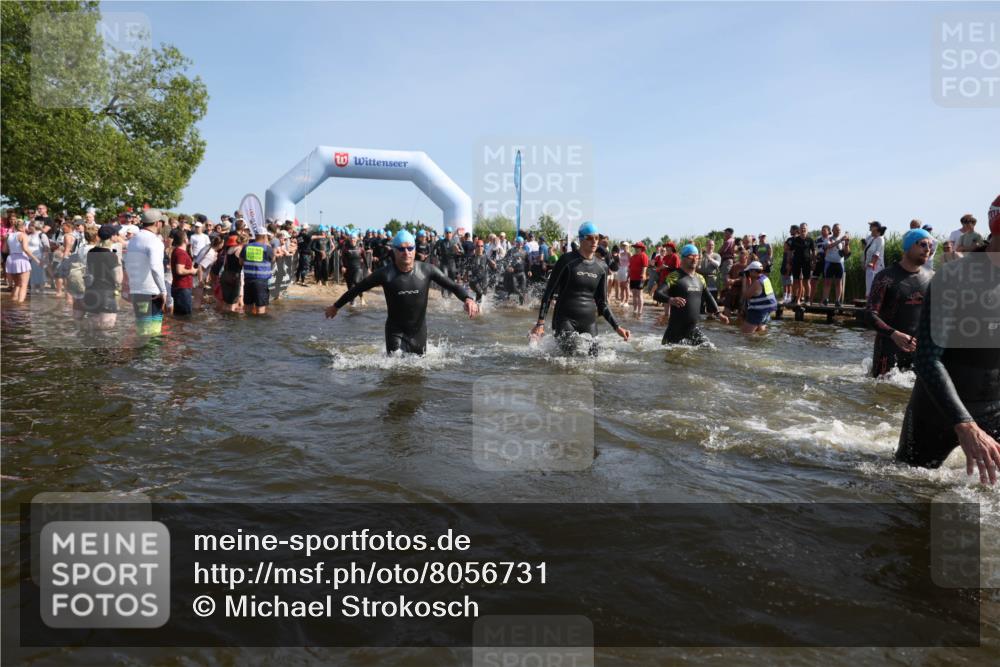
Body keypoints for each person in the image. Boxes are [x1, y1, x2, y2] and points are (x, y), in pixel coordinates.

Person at [895, 213, 1000, 484]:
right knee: (905, 487)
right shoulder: (954, 278)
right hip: (936, 411)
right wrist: (964, 423)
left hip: (994, 407)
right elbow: (927, 359)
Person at [325, 230, 479, 355]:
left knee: (418, 374)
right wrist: (336, 306)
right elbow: (357, 289)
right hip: (395, 331)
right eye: (401, 249)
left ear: (414, 249)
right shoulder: (385, 274)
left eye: (410, 248)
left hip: (419, 332)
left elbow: (453, 286)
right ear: (394, 251)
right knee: (395, 370)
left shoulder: (426, 270)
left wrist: (467, 299)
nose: (406, 252)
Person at [530, 222, 629, 356]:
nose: (594, 241)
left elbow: (602, 303)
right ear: (581, 239)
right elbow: (549, 293)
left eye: (596, 238)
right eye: (590, 238)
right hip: (564, 319)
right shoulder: (566, 261)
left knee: (595, 357)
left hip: (588, 322)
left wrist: (617, 327)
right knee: (569, 358)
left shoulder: (601, 267)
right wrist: (540, 323)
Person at [867, 228, 933, 377]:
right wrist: (894, 334)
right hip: (888, 351)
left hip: (919, 352)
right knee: (881, 394)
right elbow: (870, 314)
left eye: (930, 246)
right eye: (923, 244)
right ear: (909, 246)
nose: (928, 249)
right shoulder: (885, 277)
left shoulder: (932, 277)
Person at [654, 244, 729, 345]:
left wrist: (718, 314)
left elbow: (708, 297)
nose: (694, 259)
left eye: (697, 257)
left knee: (709, 350)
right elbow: (657, 294)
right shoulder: (674, 276)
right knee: (671, 358)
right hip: (675, 331)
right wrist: (671, 300)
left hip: (692, 330)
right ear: (683, 258)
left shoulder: (700, 278)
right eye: (691, 257)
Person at [123, 208, 168, 336]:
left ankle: (141, 356)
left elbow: (127, 264)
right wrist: (163, 291)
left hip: (137, 291)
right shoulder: (154, 241)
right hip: (153, 292)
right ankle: (151, 356)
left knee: (142, 330)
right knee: (153, 333)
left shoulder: (133, 240)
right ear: (157, 223)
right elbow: (155, 267)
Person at [83, 224, 123, 329]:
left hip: (91, 293)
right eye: (116, 235)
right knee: (107, 331)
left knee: (93, 330)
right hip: (107, 294)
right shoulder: (112, 256)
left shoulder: (90, 252)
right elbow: (118, 279)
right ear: (112, 237)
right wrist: (119, 261)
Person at [241, 230, 275, 315]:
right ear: (264, 237)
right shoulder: (267, 248)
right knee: (260, 308)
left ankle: (247, 325)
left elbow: (240, 262)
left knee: (247, 307)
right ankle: (259, 326)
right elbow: (273, 259)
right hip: (261, 282)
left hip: (248, 280)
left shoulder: (246, 247)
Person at [741, 260, 777, 334]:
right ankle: (759, 344)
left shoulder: (757, 283)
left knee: (745, 334)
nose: (749, 273)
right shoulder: (765, 278)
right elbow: (757, 293)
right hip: (766, 310)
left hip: (758, 311)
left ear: (754, 271)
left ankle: (752, 345)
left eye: (749, 271)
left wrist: (744, 281)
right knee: (760, 334)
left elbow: (745, 295)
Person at [4, 218, 36, 303]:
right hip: (21, 259)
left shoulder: (9, 235)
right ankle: (20, 305)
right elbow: (25, 249)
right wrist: (35, 258)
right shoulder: (23, 235)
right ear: (24, 226)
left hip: (10, 259)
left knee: (17, 284)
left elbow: (4, 250)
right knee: (24, 285)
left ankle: (13, 302)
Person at [169, 231, 197, 316]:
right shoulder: (180, 252)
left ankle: (178, 329)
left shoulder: (177, 251)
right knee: (185, 316)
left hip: (180, 287)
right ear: (185, 240)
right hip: (182, 288)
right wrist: (192, 271)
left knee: (179, 315)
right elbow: (180, 270)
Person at [822, 223, 850, 307]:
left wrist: (847, 244)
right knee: (827, 282)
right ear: (833, 230)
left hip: (839, 263)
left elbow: (846, 252)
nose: (838, 231)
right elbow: (828, 246)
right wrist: (840, 240)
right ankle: (825, 300)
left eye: (839, 230)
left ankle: (837, 301)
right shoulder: (828, 238)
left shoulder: (843, 240)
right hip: (829, 262)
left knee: (838, 283)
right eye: (836, 229)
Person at [340, 233, 368, 306]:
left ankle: (362, 298)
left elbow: (365, 259)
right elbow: (341, 259)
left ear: (356, 239)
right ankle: (352, 301)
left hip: (358, 269)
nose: (353, 240)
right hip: (348, 270)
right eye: (352, 238)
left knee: (356, 282)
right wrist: (342, 266)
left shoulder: (360, 248)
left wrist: (368, 268)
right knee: (350, 287)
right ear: (349, 239)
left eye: (354, 238)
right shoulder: (345, 248)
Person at [696, 239, 721, 311]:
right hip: (700, 281)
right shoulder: (701, 256)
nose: (710, 246)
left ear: (714, 246)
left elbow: (717, 264)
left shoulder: (717, 255)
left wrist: (709, 258)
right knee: (700, 306)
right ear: (706, 246)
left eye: (712, 245)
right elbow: (697, 267)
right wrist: (699, 259)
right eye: (709, 245)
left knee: (712, 307)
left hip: (712, 282)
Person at [863, 221, 886, 297]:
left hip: (876, 267)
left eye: (871, 226)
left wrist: (872, 263)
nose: (869, 227)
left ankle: (871, 306)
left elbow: (877, 253)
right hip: (869, 266)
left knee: (873, 287)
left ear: (876, 228)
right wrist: (865, 263)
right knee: (868, 287)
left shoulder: (880, 239)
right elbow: (864, 247)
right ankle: (869, 305)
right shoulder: (872, 238)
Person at [628, 241, 649, 317]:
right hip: (633, 277)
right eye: (635, 247)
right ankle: (635, 309)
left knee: (639, 294)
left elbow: (645, 266)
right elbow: (630, 267)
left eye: (638, 248)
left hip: (640, 277)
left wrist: (643, 274)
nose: (636, 249)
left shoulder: (644, 256)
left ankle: (640, 311)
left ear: (641, 248)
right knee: (634, 294)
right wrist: (628, 276)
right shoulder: (633, 257)